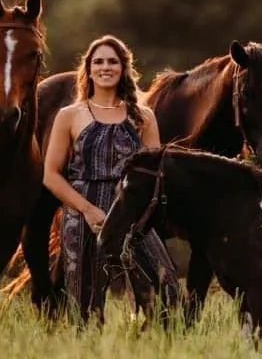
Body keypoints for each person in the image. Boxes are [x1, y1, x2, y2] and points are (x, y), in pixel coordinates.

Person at [43, 35, 179, 324]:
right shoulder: (70, 115)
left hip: (132, 211)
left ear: (124, 68)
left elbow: (154, 173)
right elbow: (51, 176)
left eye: (113, 61)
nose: (106, 67)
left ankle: (150, 345)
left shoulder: (143, 117)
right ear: (88, 69)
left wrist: (140, 214)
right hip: (83, 212)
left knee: (165, 286)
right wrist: (88, 210)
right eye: (99, 61)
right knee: (86, 303)